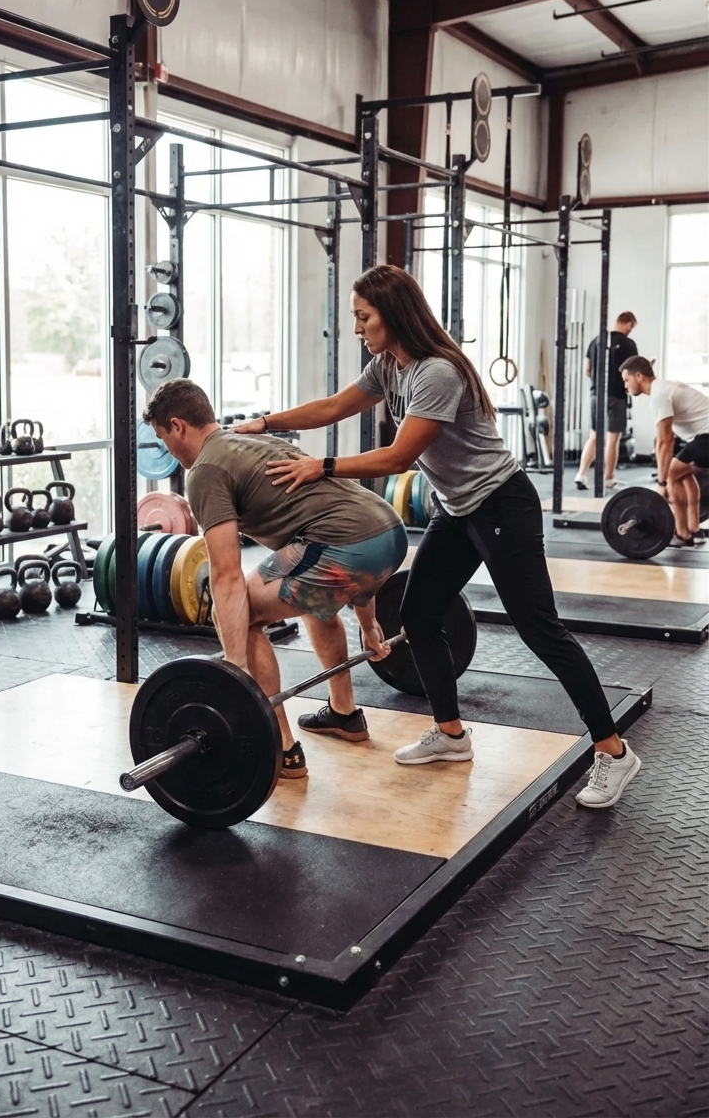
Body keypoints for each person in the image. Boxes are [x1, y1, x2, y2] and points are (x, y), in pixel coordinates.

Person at [236, 265, 641, 810]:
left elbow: (399, 457)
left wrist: (322, 466)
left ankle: (613, 752)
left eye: (364, 317)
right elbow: (333, 407)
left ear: (393, 315)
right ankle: (451, 735)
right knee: (420, 616)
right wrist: (265, 424)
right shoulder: (389, 365)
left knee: (540, 630)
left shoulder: (437, 372)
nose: (358, 328)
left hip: (502, 504)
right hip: (460, 510)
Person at [142, 378, 407, 779]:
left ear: (178, 426)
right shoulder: (255, 444)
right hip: (389, 532)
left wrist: (236, 672)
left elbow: (227, 576)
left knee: (241, 610)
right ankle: (344, 713)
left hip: (346, 544)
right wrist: (369, 626)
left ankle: (280, 749)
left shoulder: (205, 471)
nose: (168, 450)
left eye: (164, 439)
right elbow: (348, 525)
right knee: (312, 603)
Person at [620, 356, 709, 548]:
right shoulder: (663, 388)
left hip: (706, 437)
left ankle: (683, 534)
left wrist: (662, 482)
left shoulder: (659, 393)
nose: (625, 386)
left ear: (639, 376)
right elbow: (666, 439)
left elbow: (665, 440)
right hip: (701, 438)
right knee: (683, 474)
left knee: (672, 474)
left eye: (626, 380)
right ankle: (695, 529)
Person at [575, 311, 638, 492]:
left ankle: (581, 474)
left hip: (597, 395)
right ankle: (608, 478)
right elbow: (633, 373)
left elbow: (587, 370)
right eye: (631, 327)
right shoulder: (628, 344)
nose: (630, 330)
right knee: (612, 438)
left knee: (594, 436)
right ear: (626, 323)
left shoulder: (596, 341)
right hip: (617, 395)